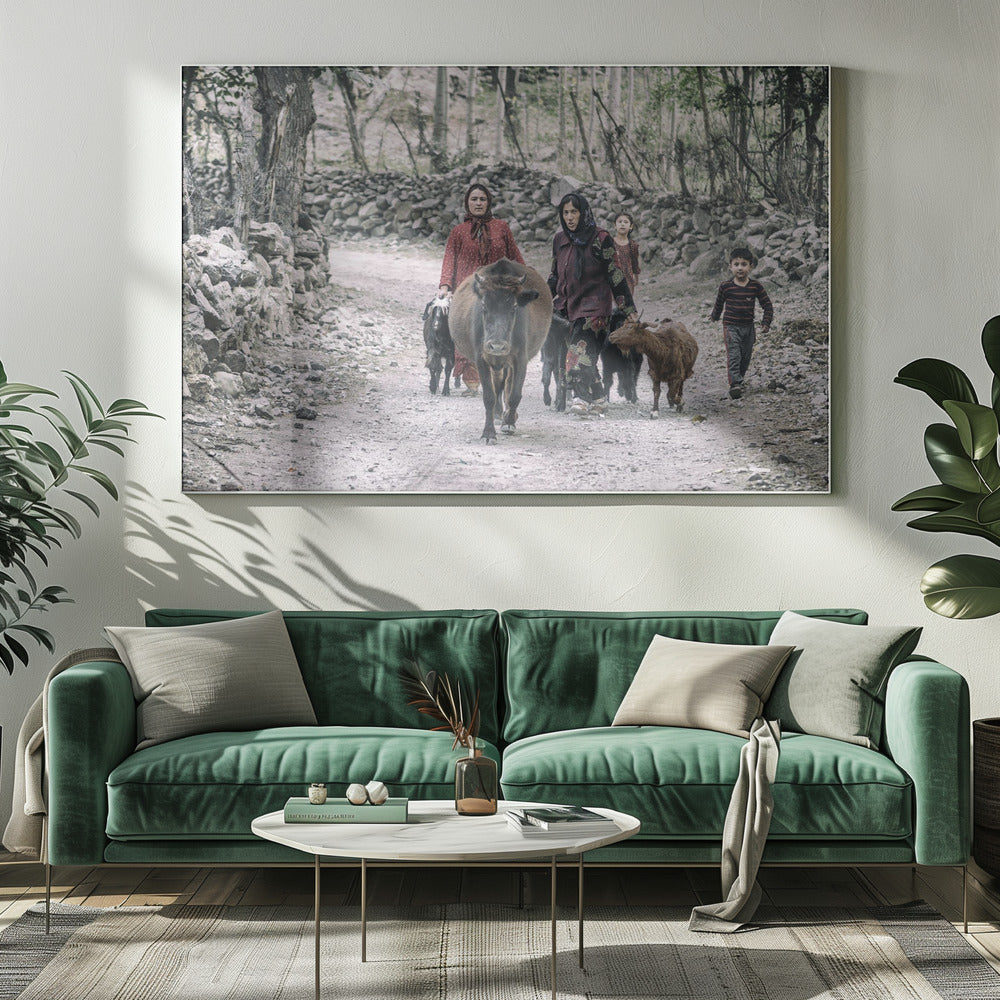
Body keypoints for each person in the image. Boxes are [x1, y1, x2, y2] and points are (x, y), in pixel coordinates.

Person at [548, 192, 637, 415]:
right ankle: (598, 396)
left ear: (584, 213)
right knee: (583, 353)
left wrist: (628, 309)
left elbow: (615, 276)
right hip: (567, 307)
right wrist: (540, 298)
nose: (569, 217)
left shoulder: (601, 238)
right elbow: (554, 276)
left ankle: (580, 397)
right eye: (565, 212)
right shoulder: (559, 240)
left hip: (594, 308)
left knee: (577, 353)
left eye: (574, 212)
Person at [438, 182, 525, 394]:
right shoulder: (458, 232)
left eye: (482, 199)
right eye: (474, 199)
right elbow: (450, 259)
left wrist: (524, 276)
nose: (478, 203)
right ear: (467, 202)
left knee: (499, 326)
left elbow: (514, 255)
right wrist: (445, 285)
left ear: (489, 202)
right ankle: (471, 377)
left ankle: (499, 372)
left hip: (497, 290)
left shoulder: (501, 228)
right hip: (468, 290)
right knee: (468, 331)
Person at [710, 247, 774, 399]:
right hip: (730, 326)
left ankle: (740, 378)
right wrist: (715, 316)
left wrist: (766, 322)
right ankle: (735, 384)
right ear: (730, 266)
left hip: (748, 327)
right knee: (734, 355)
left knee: (746, 356)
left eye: (744, 264)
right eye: (736, 264)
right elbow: (719, 304)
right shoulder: (725, 286)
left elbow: (767, 305)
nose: (740, 268)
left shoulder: (755, 286)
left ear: (750, 266)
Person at [611, 212, 641, 299]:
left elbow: (635, 263)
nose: (622, 224)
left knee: (626, 304)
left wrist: (636, 278)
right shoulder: (610, 243)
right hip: (613, 279)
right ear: (615, 225)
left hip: (628, 280)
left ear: (631, 226)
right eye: (620, 222)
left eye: (626, 222)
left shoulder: (633, 245)